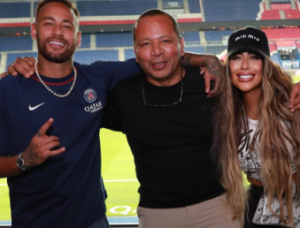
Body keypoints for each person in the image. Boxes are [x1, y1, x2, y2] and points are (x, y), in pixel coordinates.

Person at [0, 2, 224, 228]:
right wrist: (25, 159)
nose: (57, 32)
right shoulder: (8, 89)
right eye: (49, 24)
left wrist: (208, 59)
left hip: (93, 220)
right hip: (33, 222)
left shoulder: (97, 78)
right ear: (34, 30)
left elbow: (158, 58)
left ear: (78, 38)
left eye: (66, 26)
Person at [101, 9, 241, 228]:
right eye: (146, 44)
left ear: (181, 45)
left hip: (218, 207)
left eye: (165, 40)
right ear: (136, 53)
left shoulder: (210, 81)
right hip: (157, 214)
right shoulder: (122, 95)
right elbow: (73, 106)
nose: (157, 51)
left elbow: (265, 96)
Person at [212, 26, 300, 228]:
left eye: (253, 57)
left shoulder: (292, 105)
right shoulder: (225, 113)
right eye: (236, 57)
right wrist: (205, 60)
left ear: (265, 64)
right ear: (228, 65)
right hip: (256, 205)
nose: (244, 66)